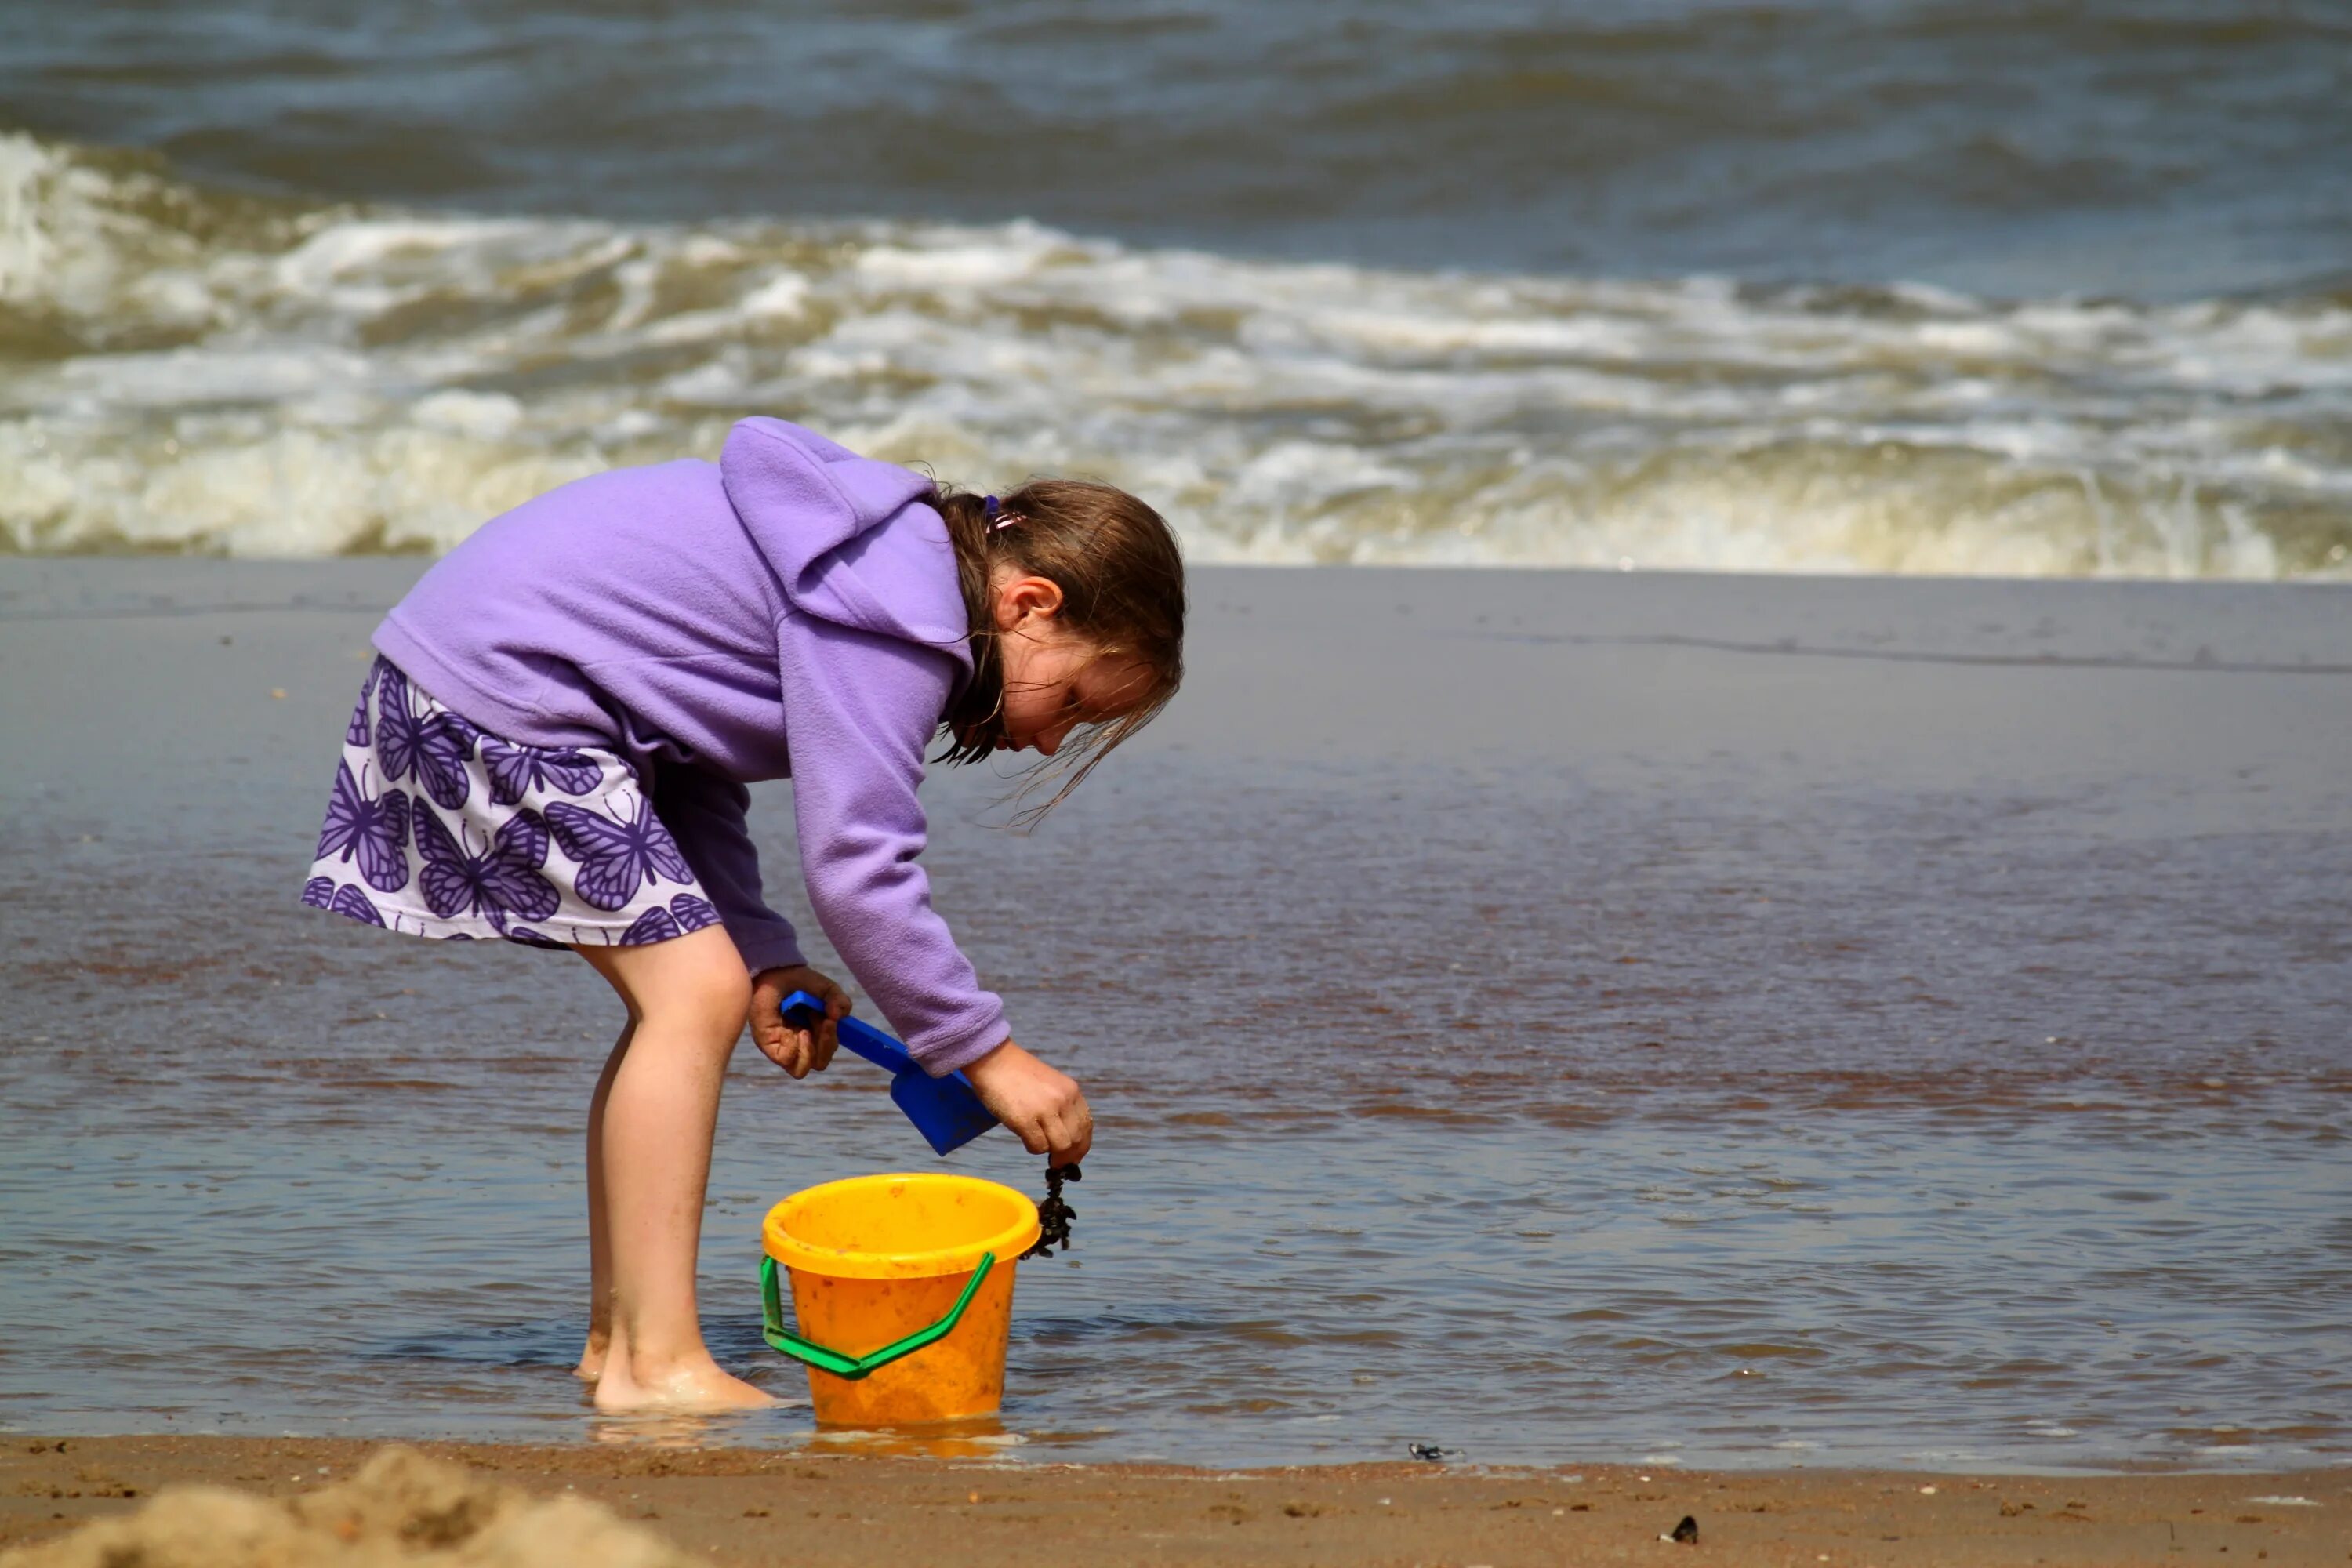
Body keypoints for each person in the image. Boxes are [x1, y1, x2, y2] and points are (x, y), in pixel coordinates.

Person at [299, 417, 1185, 1412]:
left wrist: (764, 953)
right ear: (1029, 602)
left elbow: (682, 754)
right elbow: (857, 863)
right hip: (503, 693)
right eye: (1069, 702)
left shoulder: (874, 571)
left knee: (699, 990)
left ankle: (620, 1338)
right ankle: (660, 1367)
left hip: (485, 681)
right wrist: (986, 1053)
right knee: (692, 996)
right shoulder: (901, 614)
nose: (1046, 741)